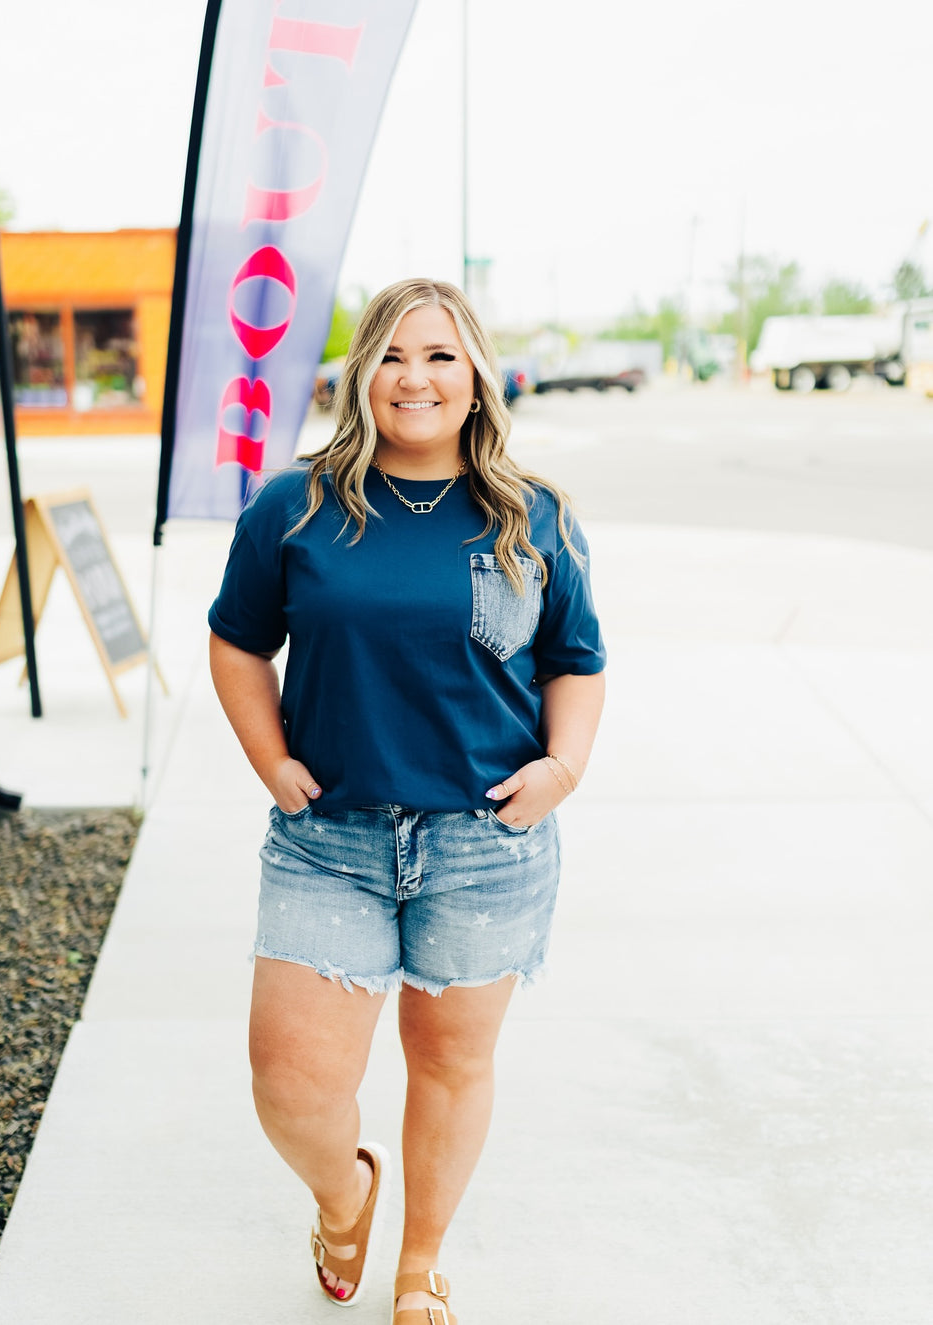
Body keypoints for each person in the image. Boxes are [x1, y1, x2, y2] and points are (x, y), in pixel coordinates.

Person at [208, 277, 606, 1323]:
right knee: (291, 1081)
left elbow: (575, 658)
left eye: (438, 355)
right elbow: (239, 639)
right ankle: (346, 1196)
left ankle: (419, 1261)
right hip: (327, 838)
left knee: (450, 1061)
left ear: (475, 376)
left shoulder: (535, 513)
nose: (414, 376)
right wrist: (272, 761)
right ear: (359, 375)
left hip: (485, 843)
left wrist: (562, 768)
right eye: (391, 353)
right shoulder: (294, 505)